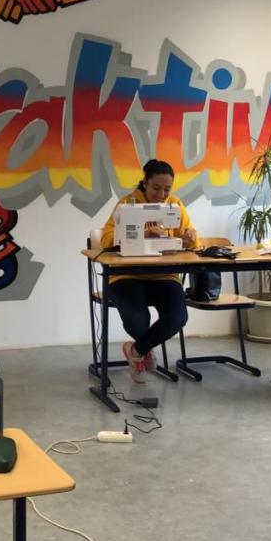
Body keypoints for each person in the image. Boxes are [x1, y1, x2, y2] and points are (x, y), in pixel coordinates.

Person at [99, 159, 199, 382]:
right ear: (145, 182)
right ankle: (145, 348)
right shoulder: (128, 204)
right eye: (156, 188)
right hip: (126, 275)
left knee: (178, 317)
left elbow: (193, 242)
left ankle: (136, 350)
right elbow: (105, 240)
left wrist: (189, 237)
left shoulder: (174, 205)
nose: (161, 195)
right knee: (137, 321)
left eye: (167, 189)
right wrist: (141, 235)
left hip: (164, 275)